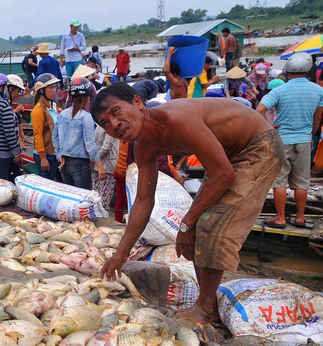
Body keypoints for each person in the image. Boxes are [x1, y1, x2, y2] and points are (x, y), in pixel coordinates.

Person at [90, 83, 284, 332]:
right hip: (228, 157)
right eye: (105, 123)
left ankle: (204, 307)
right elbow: (143, 201)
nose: (114, 124)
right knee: (197, 223)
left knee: (211, 222)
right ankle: (207, 303)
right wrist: (121, 254)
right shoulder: (143, 146)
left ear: (138, 103)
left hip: (259, 146)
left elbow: (223, 174)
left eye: (116, 112)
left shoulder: (175, 117)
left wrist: (186, 224)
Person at [257, 52, 323, 229]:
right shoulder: (318, 90)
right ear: (308, 70)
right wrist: (310, 135)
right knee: (302, 182)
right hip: (303, 140)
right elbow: (317, 118)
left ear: (288, 72)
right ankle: (300, 218)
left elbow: (259, 110)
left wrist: (268, 128)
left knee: (280, 182)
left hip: (282, 140)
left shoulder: (279, 90)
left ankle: (280, 218)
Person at [52, 76, 101, 189]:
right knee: (82, 198)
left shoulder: (63, 114)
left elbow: (55, 137)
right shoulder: (86, 117)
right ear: (87, 97)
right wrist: (99, 165)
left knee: (70, 197)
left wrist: (60, 154)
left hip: (65, 163)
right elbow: (90, 144)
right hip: (81, 163)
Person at [32, 73, 62, 181]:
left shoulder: (52, 106)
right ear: (41, 90)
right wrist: (43, 158)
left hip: (54, 153)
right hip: (45, 154)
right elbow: (37, 134)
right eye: (50, 88)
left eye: (55, 87)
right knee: (47, 183)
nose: (54, 90)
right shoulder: (38, 110)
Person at [7, 74, 30, 180]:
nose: (18, 95)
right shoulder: (3, 105)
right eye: (17, 91)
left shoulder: (8, 104)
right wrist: (16, 151)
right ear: (10, 89)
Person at [94, 125, 119, 210]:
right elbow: (106, 147)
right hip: (107, 165)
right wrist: (95, 158)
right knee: (103, 199)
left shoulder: (98, 125)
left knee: (96, 196)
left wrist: (94, 158)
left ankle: (96, 218)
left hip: (98, 164)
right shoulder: (109, 127)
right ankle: (101, 219)